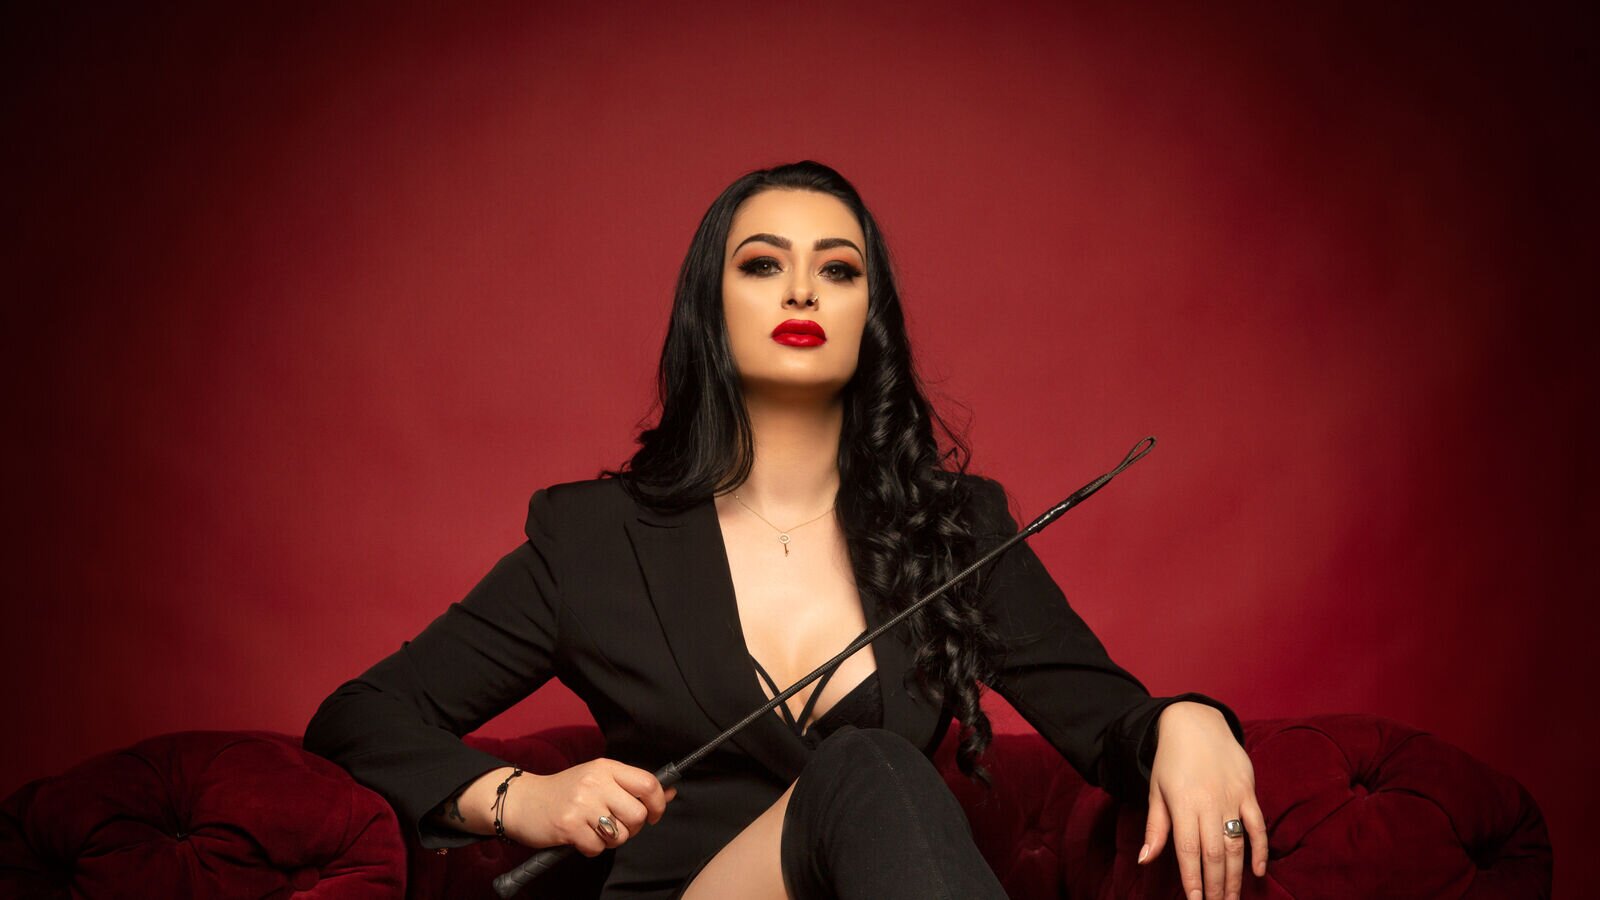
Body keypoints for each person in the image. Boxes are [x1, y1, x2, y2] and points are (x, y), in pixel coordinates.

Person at [304, 160, 1266, 900]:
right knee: (868, 765)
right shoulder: (596, 539)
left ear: (867, 318)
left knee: (868, 773)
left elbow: (1111, 722)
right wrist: (523, 799)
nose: (802, 291)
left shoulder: (952, 530)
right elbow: (360, 716)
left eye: (837, 270)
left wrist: (1191, 721)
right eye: (763, 264)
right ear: (712, 309)